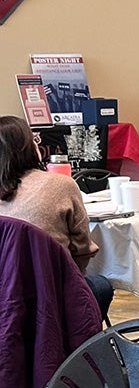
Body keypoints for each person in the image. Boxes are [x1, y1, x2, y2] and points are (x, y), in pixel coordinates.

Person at [0, 115, 114, 319]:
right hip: (49, 293)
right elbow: (82, 249)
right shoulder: (61, 185)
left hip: (5, 300)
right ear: (28, 147)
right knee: (101, 286)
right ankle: (80, 348)